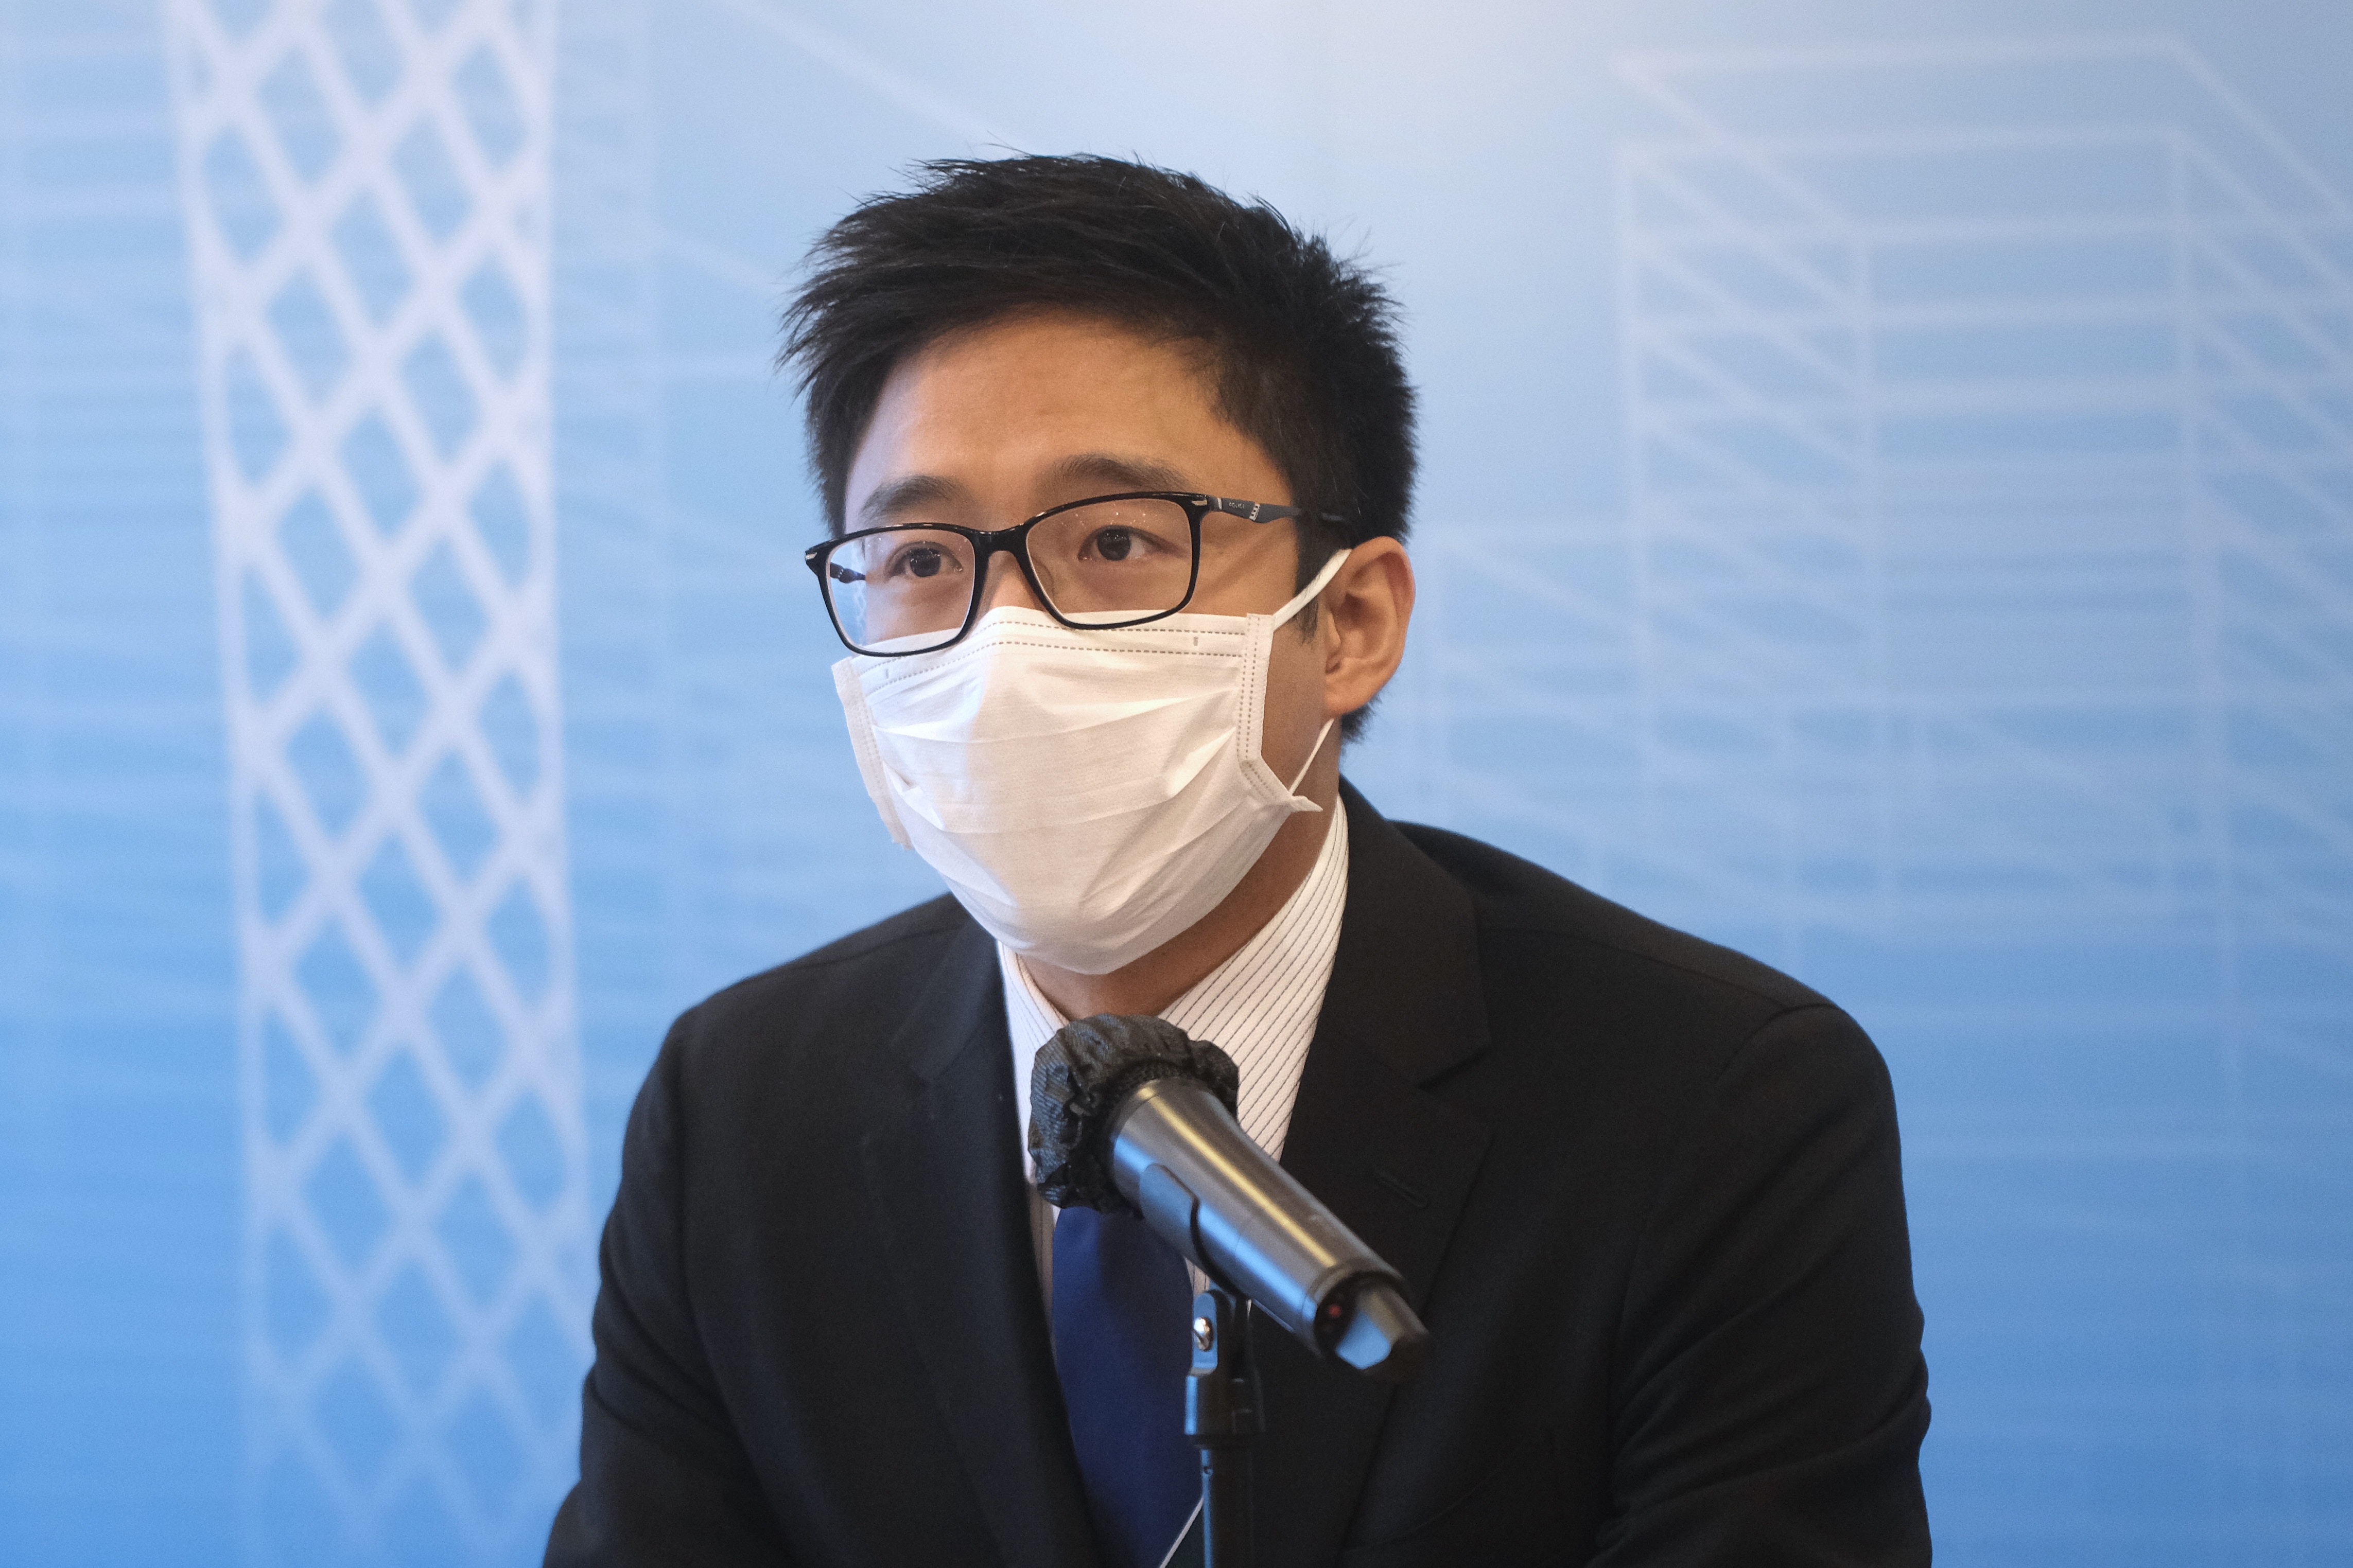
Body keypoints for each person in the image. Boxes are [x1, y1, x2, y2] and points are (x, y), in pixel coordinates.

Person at [546, 154, 1930, 1568]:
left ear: (1351, 624)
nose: (1003, 640)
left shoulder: (1707, 1103)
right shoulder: (741, 1108)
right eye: (918, 561)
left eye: (1115, 541)